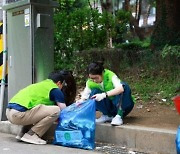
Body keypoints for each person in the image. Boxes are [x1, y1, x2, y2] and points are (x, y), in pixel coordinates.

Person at [6, 70, 76, 145]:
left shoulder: (40, 85)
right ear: (59, 83)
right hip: (18, 115)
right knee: (56, 110)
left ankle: (23, 133)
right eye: (63, 85)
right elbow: (64, 111)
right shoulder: (55, 89)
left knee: (35, 109)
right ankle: (32, 135)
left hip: (9, 112)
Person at [78, 61, 134, 126]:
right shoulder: (90, 82)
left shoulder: (110, 75)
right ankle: (107, 115)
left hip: (123, 105)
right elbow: (85, 97)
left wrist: (104, 95)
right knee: (94, 93)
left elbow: (120, 89)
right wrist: (79, 103)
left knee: (124, 86)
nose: (94, 80)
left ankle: (119, 116)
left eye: (96, 78)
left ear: (102, 73)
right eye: (91, 78)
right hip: (109, 106)